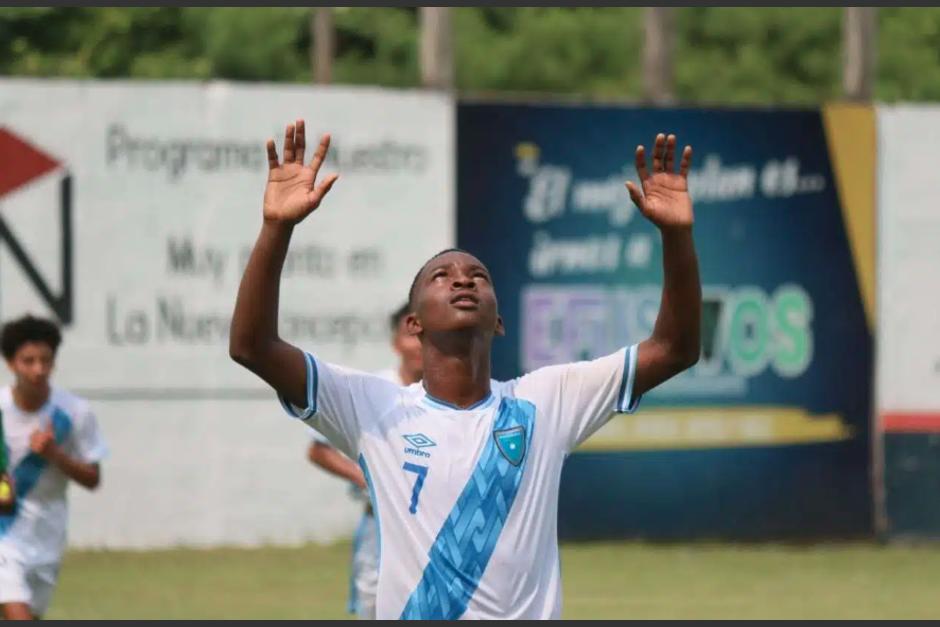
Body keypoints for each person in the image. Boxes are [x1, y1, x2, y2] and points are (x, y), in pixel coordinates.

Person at [230, 120, 701, 620]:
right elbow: (252, 347)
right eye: (442, 276)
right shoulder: (375, 406)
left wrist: (677, 237)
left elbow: (674, 349)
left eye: (479, 276)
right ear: (413, 324)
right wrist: (276, 228)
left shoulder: (546, 401)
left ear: (498, 321)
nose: (463, 281)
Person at [304, 303, 422, 620]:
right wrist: (364, 475)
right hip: (379, 523)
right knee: (374, 608)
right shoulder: (375, 390)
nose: (419, 345)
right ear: (395, 343)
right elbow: (318, 450)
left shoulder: (452, 394)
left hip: (433, 524)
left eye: (427, 335)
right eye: (411, 335)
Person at [0, 315, 107, 620]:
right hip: (4, 535)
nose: (38, 369)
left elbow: (93, 478)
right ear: (11, 363)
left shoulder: (74, 412)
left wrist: (55, 455)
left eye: (45, 360)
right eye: (28, 361)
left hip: (46, 534)